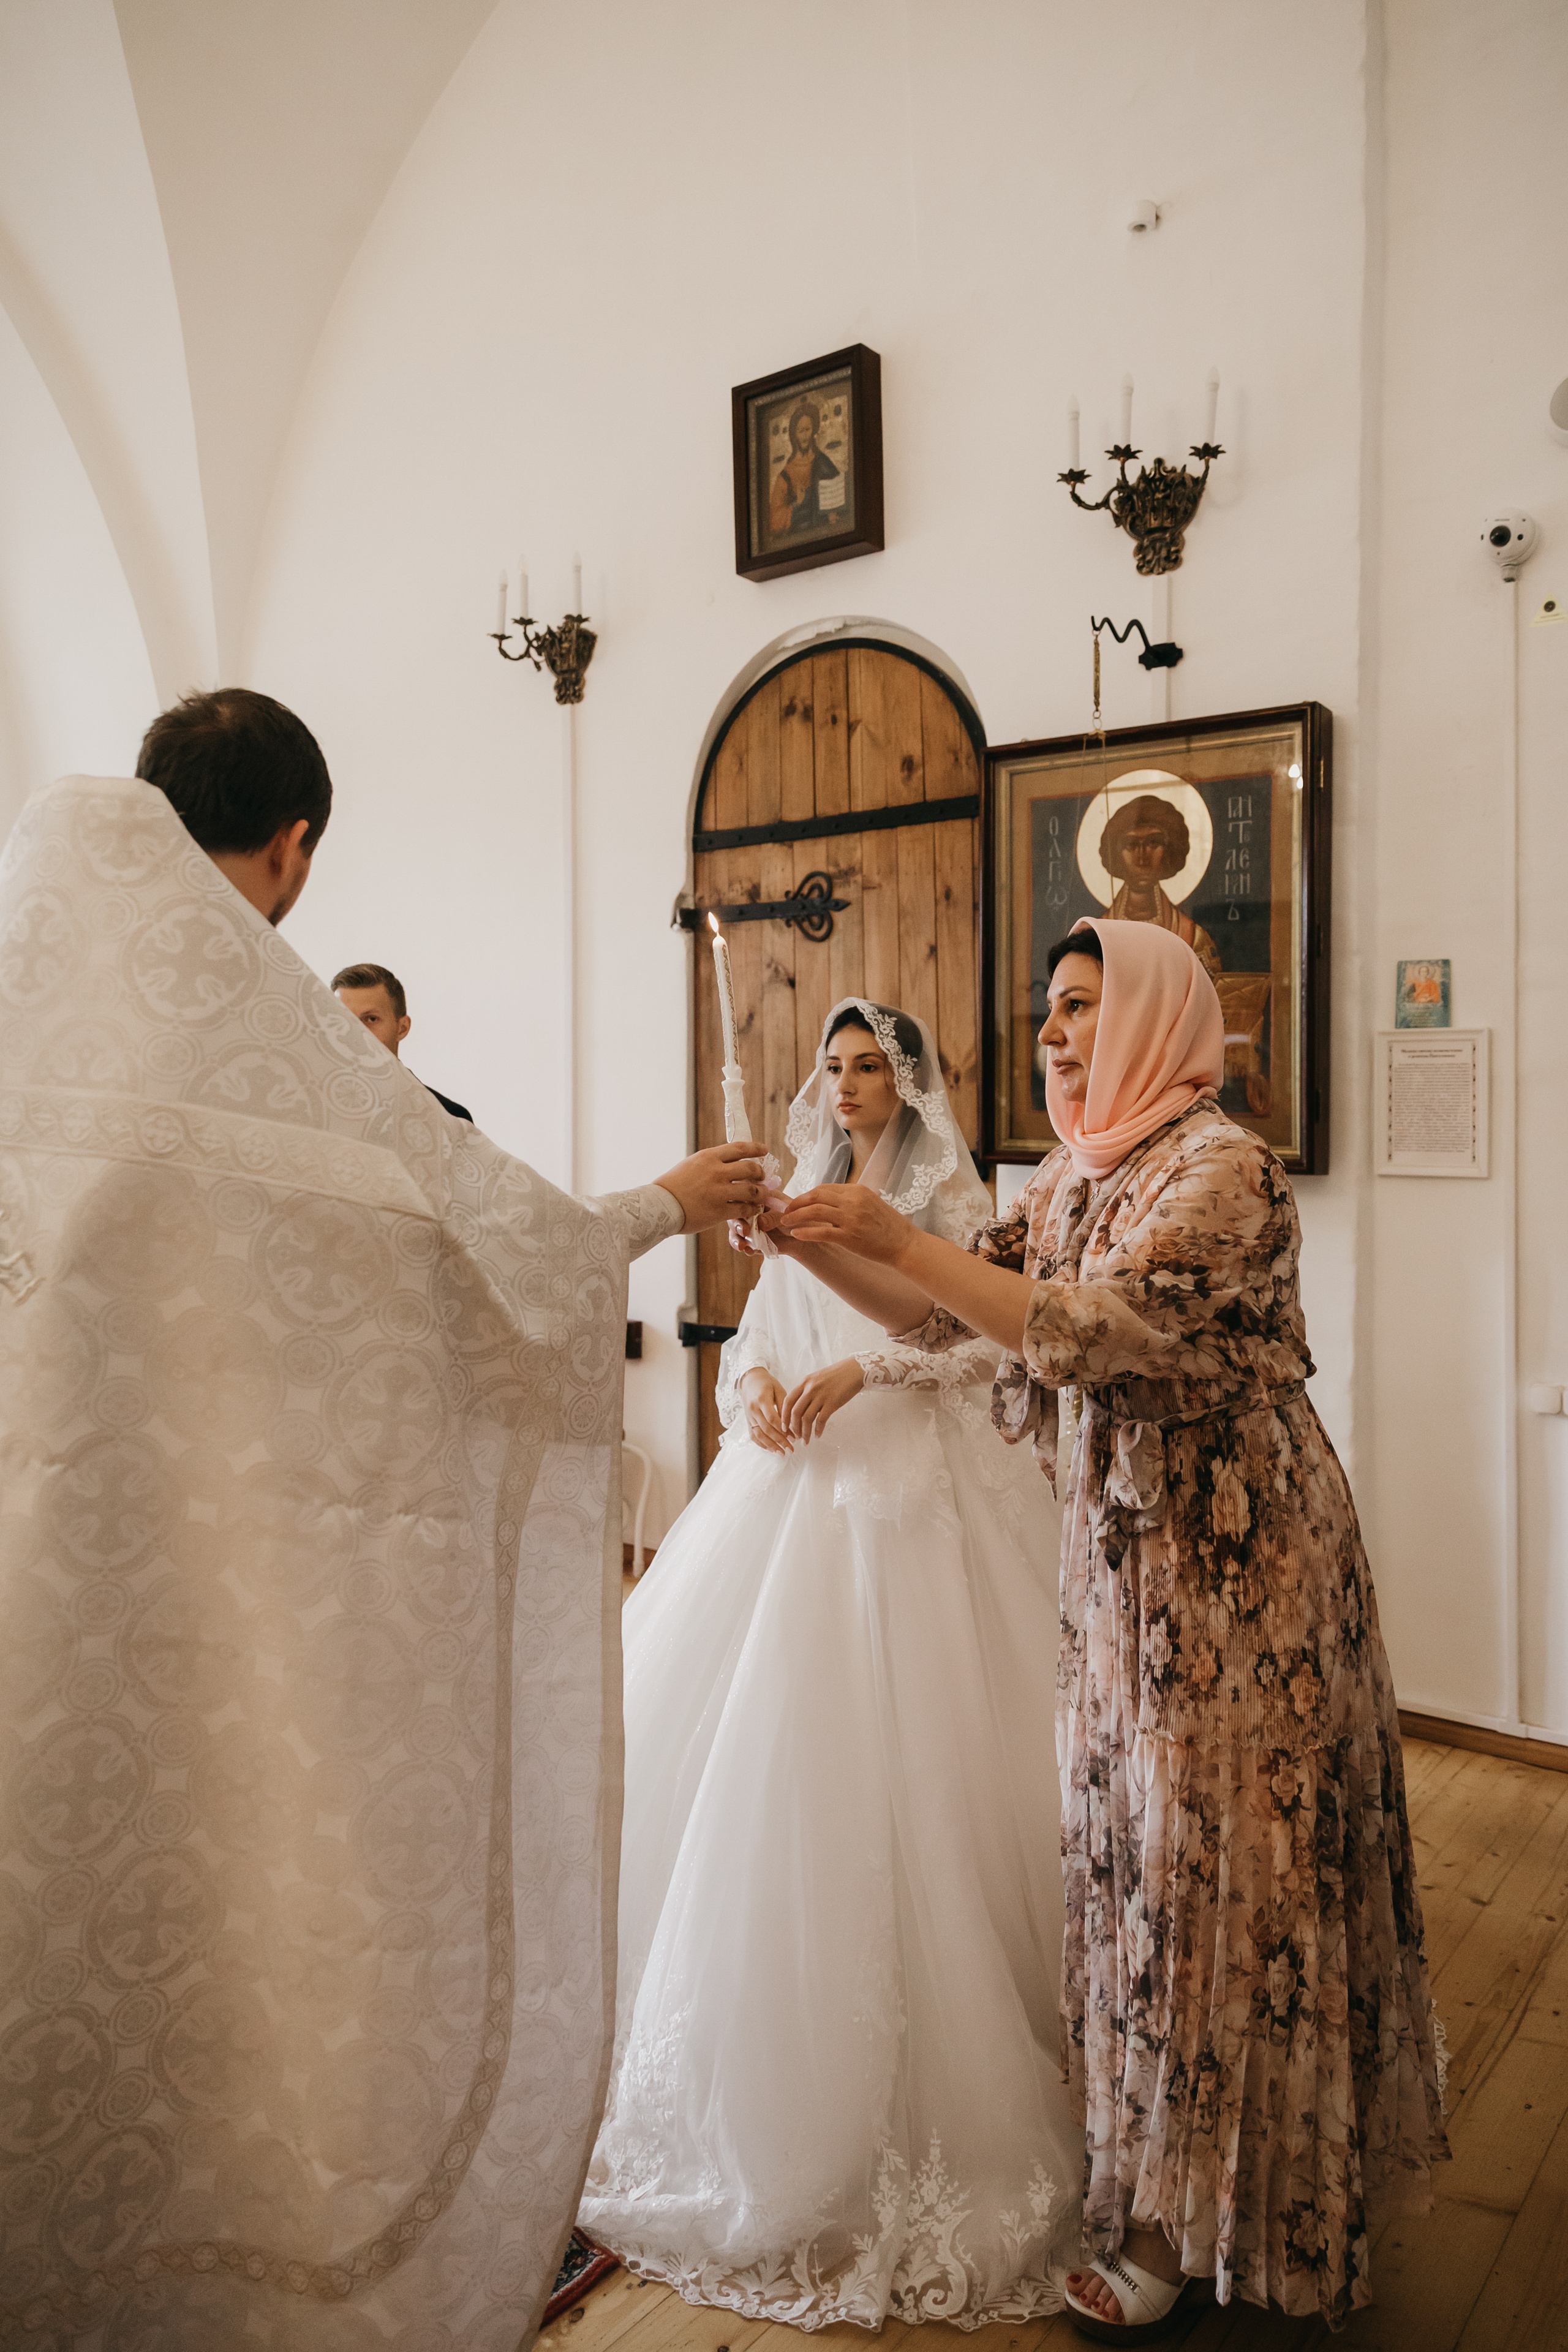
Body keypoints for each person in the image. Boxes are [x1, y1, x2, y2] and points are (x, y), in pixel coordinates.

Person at [0, 688, 765, 2351]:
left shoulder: (29, 997)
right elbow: (491, 1257)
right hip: (191, 1628)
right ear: (289, 853)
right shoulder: (265, 1044)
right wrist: (663, 1207)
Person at [768, 922, 1448, 2336]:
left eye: (1081, 1006)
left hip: (1240, 1575)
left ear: (1152, 1012)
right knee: (1137, 1873)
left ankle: (1248, 2217)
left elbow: (1081, 1331)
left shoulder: (1219, 1166)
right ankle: (1157, 2195)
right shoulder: (1072, 1170)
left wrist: (898, 1233)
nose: (1055, 1034)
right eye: (1045, 1013)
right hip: (1124, 1566)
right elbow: (945, 1316)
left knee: (1232, 1883)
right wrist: (811, 1239)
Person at [581, 1000, 1081, 2332]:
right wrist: (751, 1389)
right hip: (784, 1481)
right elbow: (759, 1327)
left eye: (872, 1066)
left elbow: (978, 1339)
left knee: (923, 1759)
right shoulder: (795, 1186)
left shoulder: (946, 1188)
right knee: (744, 1749)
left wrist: (859, 1373)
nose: (850, 1084)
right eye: (837, 1066)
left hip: (911, 1488)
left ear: (908, 1083)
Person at [332, 959, 472, 1121]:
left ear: (403, 1028)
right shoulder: (307, 1108)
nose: (355, 1032)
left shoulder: (450, 1117)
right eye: (345, 1019)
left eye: (371, 1019)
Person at [1100, 793, 1221, 978]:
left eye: (1153, 843)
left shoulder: (1192, 937)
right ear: (1116, 854)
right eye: (1131, 845)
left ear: (1169, 851)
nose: (1142, 858)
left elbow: (1211, 997)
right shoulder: (1094, 936)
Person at [767, 398, 841, 537]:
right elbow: (774, 520)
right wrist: (797, 504)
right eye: (800, 431)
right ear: (794, 435)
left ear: (814, 430)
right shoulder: (786, 475)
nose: (804, 436)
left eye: (807, 429)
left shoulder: (823, 462)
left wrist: (834, 514)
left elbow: (838, 495)